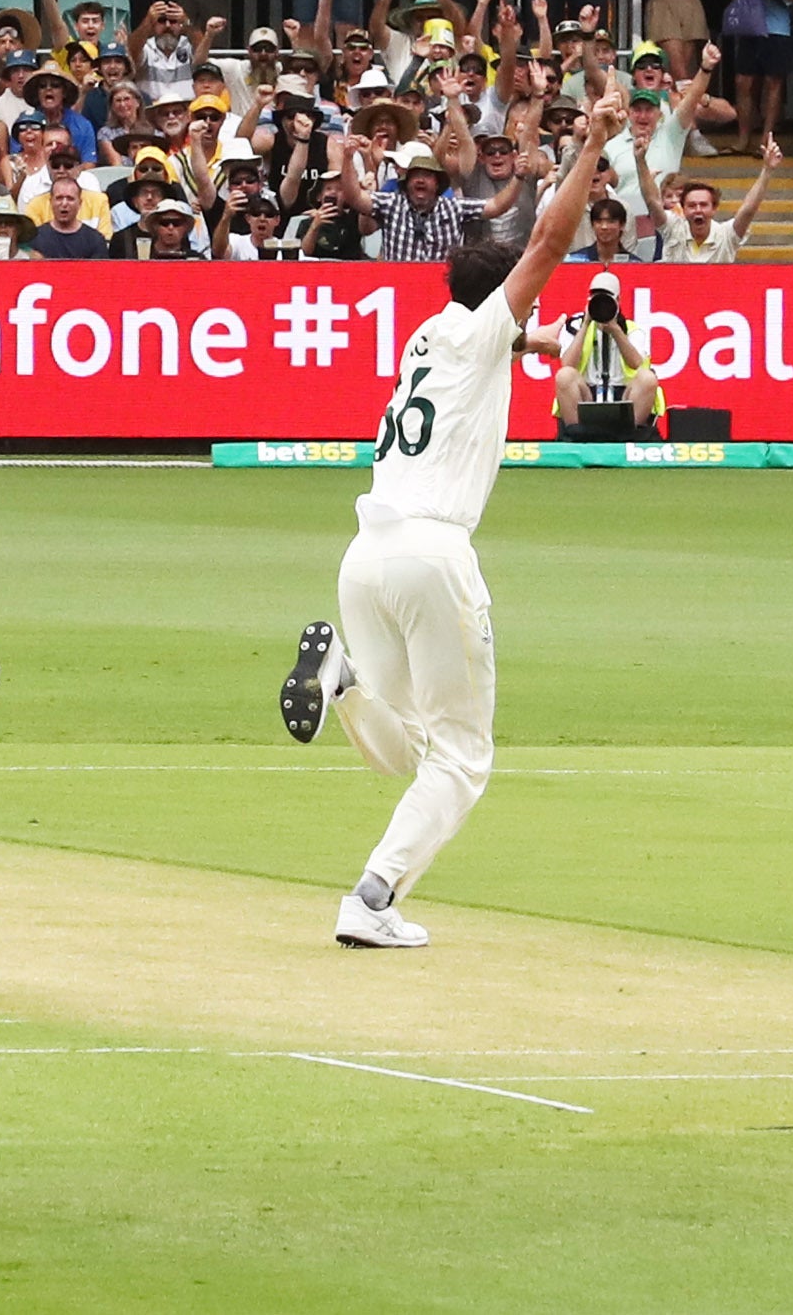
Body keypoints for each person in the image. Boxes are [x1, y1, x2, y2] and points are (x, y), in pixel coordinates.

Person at [277, 73, 623, 948]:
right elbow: (547, 239)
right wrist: (590, 147)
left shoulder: (435, 335)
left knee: (408, 751)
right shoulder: (481, 331)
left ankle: (341, 683)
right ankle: (373, 899)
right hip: (433, 553)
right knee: (464, 761)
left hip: (367, 554)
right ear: (504, 296)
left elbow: (520, 332)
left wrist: (549, 334)